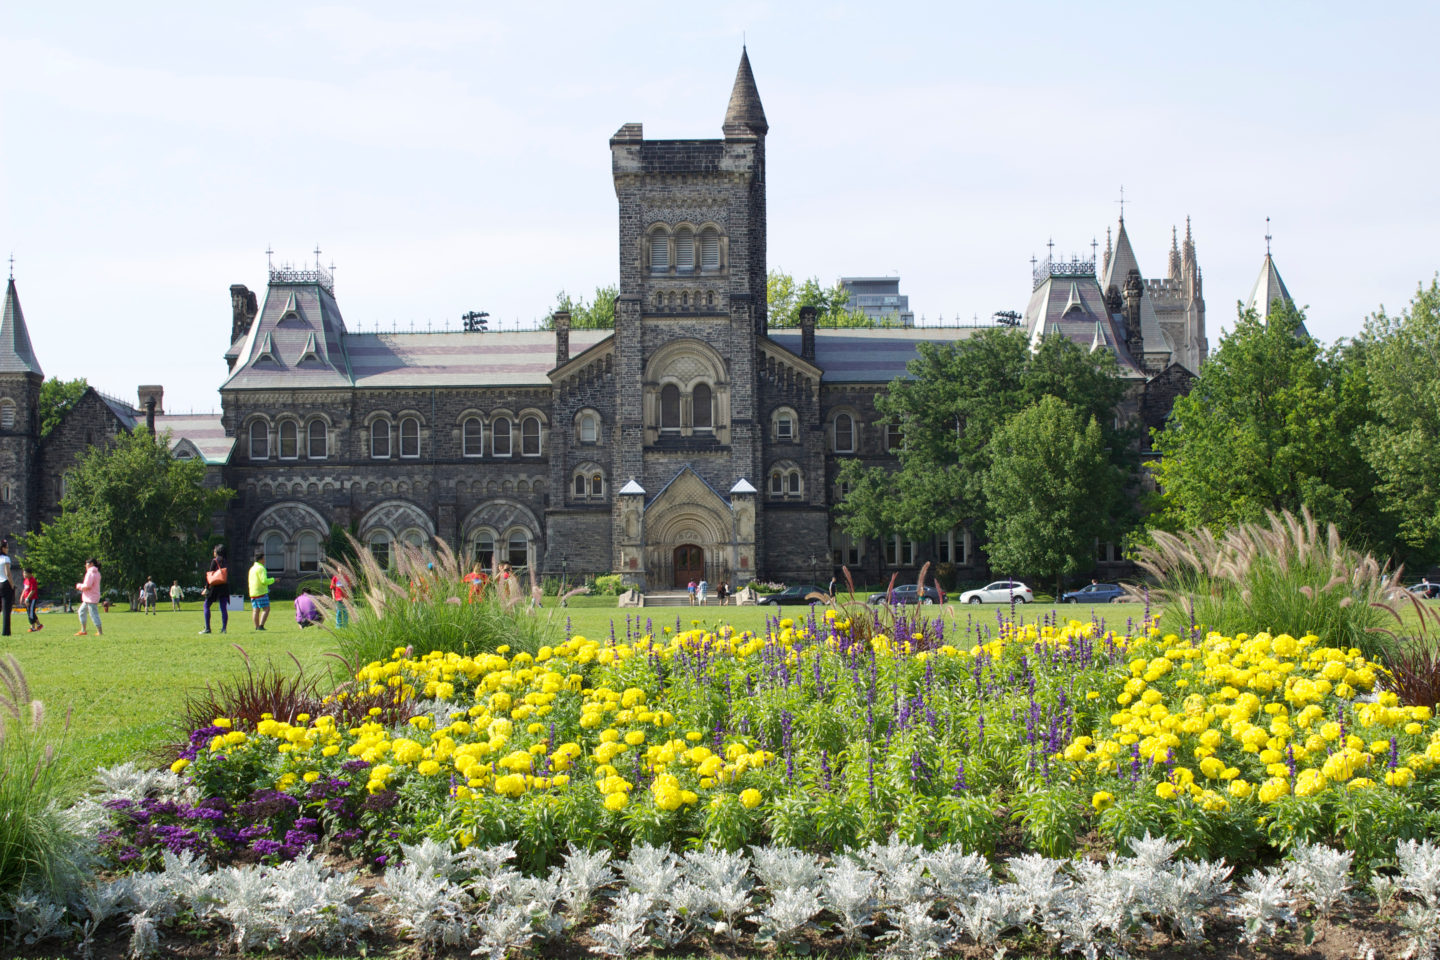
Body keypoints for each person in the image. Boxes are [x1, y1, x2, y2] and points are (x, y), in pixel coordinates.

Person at [201, 544, 230, 635]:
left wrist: (206, 587)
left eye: (214, 550)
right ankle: (224, 628)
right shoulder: (225, 561)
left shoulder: (215, 561)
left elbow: (210, 575)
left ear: (217, 552)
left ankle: (208, 628)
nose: (213, 552)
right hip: (224, 586)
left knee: (206, 606)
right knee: (223, 608)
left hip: (214, 587)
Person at [75, 557, 103, 636]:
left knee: (93, 614)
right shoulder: (97, 573)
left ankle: (100, 632)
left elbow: (88, 586)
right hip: (89, 597)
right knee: (81, 611)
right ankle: (83, 630)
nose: (85, 565)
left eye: (86, 564)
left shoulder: (90, 573)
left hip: (91, 598)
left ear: (91, 564)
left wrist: (79, 586)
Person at [248, 550, 275, 631]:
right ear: (260, 559)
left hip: (253, 592)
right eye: (264, 558)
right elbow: (264, 581)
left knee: (256, 610)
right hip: (261, 592)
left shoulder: (252, 568)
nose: (265, 560)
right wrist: (273, 580)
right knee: (266, 608)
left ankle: (256, 627)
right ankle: (261, 626)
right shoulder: (261, 568)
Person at [20, 567, 41, 632]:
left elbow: (33, 591)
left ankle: (33, 627)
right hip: (27, 598)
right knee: (30, 612)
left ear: (30, 574)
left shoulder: (33, 580)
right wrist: (21, 597)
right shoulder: (26, 580)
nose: (24, 574)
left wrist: (27, 599)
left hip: (32, 599)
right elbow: (25, 589)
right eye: (23, 573)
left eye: (25, 573)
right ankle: (39, 625)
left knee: (31, 613)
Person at [0, 539, 13, 637]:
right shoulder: (6, 559)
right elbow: (8, 573)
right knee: (6, 609)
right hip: (5, 583)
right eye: (7, 547)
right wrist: (12, 585)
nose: (8, 549)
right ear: (3, 548)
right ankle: (6, 631)